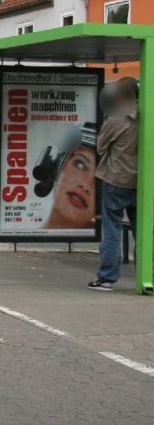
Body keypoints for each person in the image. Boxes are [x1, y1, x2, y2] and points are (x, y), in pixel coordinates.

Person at [89, 78, 139, 291]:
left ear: (120, 95)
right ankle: (148, 274)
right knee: (144, 230)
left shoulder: (115, 118)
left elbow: (100, 147)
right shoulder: (148, 114)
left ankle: (107, 277)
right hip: (142, 182)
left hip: (116, 179)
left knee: (112, 228)